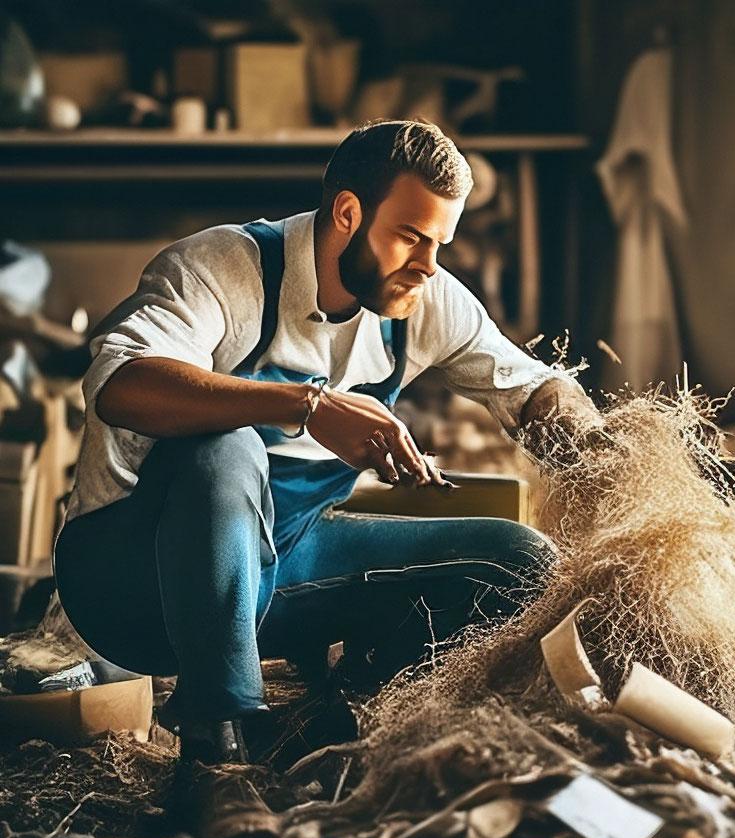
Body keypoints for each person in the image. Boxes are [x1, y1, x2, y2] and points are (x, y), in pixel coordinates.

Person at [53, 120, 599, 798]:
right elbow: (120, 385)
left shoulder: (421, 297)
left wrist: (600, 447)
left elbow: (533, 388)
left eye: (440, 244)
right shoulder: (223, 268)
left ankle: (335, 721)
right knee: (225, 449)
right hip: (132, 582)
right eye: (411, 236)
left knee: (520, 563)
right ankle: (213, 758)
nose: (428, 265)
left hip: (279, 569)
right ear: (347, 212)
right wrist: (308, 406)